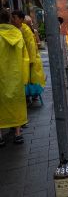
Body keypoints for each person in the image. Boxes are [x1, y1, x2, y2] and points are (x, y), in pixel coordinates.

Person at [0, 9, 29, 145]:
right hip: (16, 75)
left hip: (1, 77)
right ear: (9, 20)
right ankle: (18, 134)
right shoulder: (18, 34)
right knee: (17, 103)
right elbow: (25, 57)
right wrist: (25, 77)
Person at [11, 11, 45, 107]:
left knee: (30, 80)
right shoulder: (17, 29)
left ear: (21, 19)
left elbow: (31, 46)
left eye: (14, 17)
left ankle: (29, 97)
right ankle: (28, 97)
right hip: (22, 60)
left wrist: (31, 61)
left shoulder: (25, 30)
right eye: (12, 17)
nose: (12, 20)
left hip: (29, 60)